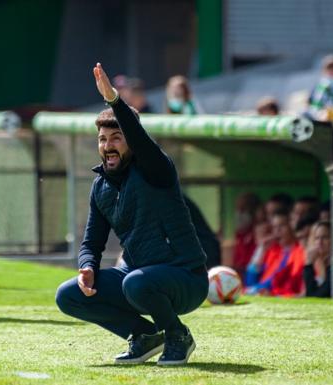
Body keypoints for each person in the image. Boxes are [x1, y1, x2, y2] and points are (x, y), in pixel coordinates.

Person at [56, 63, 208, 366]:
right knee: (68, 294)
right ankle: (144, 336)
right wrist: (87, 267)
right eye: (102, 140)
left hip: (185, 278)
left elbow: (140, 139)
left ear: (132, 143)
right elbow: (91, 243)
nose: (108, 146)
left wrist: (114, 100)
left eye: (116, 138)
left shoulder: (156, 169)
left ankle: (178, 335)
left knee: (136, 283)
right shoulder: (101, 187)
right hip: (137, 277)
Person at [245, 210, 304, 297]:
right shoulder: (274, 252)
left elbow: (279, 284)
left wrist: (255, 290)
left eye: (282, 226)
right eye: (274, 227)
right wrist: (261, 249)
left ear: (291, 226)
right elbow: (250, 281)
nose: (277, 231)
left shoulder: (299, 251)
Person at [308, 55, 333, 121]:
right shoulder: (320, 86)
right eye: (330, 68)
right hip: (318, 115)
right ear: (324, 70)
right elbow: (312, 103)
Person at [304, 221, 332, 297]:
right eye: (317, 238)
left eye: (325, 237)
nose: (320, 242)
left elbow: (314, 296)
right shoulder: (323, 263)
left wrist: (309, 264)